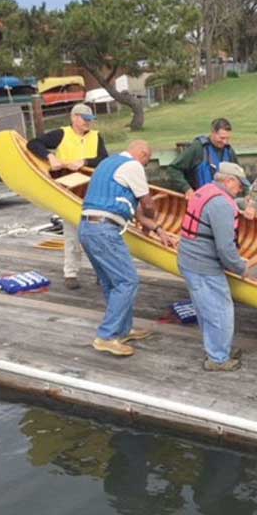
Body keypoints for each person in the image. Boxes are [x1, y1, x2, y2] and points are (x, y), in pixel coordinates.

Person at [79, 140, 175, 357]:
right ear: (142, 153)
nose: (146, 165)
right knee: (127, 281)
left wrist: (158, 230)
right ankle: (106, 336)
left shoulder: (107, 163)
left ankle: (123, 329)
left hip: (88, 228)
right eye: (147, 160)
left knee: (112, 283)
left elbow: (136, 213)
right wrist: (150, 223)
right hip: (105, 230)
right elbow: (147, 205)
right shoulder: (133, 166)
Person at [27, 103, 108, 289]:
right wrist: (50, 157)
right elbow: (33, 143)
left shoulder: (96, 137)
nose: (88, 123)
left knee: (96, 236)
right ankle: (70, 273)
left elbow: (103, 159)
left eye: (90, 120)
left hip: (92, 190)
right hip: (69, 190)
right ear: (74, 118)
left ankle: (100, 272)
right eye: (85, 119)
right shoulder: (61, 134)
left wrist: (85, 161)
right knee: (72, 235)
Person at [179, 161, 250, 371]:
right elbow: (225, 249)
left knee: (205, 310)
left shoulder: (204, 190)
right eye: (239, 185)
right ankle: (218, 359)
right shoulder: (221, 204)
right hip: (204, 266)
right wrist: (241, 268)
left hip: (188, 260)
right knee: (220, 311)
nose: (240, 190)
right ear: (228, 181)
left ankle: (218, 348)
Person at [167, 118, 238, 199]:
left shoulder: (229, 151)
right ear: (213, 132)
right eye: (222, 138)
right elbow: (173, 169)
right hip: (200, 201)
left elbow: (240, 177)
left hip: (224, 201)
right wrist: (186, 189)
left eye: (227, 138)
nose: (225, 142)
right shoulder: (198, 148)